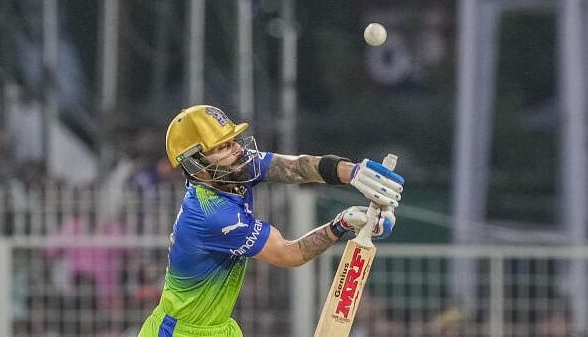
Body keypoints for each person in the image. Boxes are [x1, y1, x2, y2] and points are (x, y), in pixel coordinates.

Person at [138, 105, 405, 337]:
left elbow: (298, 167)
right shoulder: (212, 215)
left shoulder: (235, 168)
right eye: (221, 147)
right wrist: (342, 225)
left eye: (233, 140)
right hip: (181, 332)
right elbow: (290, 254)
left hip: (220, 328)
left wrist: (354, 173)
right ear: (195, 164)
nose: (237, 150)